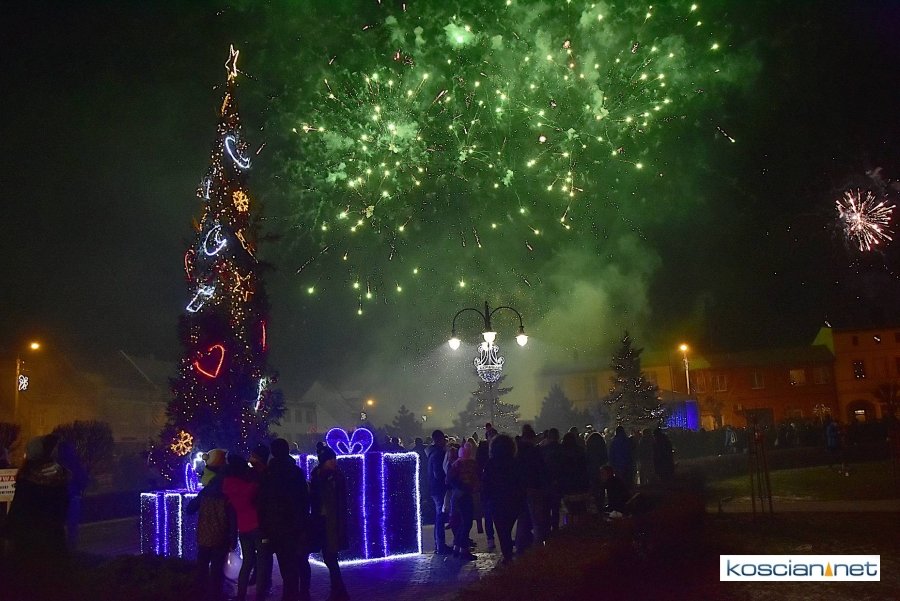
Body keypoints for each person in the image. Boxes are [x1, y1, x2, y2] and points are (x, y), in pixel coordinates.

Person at [257, 438, 311, 601]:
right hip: (295, 526)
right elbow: (304, 500)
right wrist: (302, 523)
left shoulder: (268, 474)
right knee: (298, 563)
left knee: (285, 566)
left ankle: (289, 595)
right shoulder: (295, 472)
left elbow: (262, 503)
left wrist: (264, 528)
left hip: (276, 528)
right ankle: (300, 594)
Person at [5, 435, 70, 564]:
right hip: (53, 538)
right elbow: (63, 507)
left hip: (28, 540)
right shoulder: (60, 477)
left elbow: (17, 511)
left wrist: (9, 534)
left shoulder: (27, 480)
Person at [187, 448, 234, 601]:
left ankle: (199, 594)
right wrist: (233, 537)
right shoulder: (228, 491)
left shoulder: (206, 491)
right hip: (221, 537)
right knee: (217, 570)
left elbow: (190, 509)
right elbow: (232, 517)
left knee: (202, 568)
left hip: (204, 536)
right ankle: (215, 596)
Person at [309, 445, 349, 601]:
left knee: (330, 557)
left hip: (332, 522)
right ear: (323, 461)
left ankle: (339, 592)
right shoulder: (317, 475)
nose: (334, 461)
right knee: (329, 557)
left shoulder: (336, 477)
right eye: (330, 459)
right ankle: (339, 591)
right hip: (321, 521)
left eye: (334, 458)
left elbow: (340, 500)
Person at [222, 452, 261, 601]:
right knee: (262, 560)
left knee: (247, 561)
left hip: (243, 527)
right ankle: (261, 594)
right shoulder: (249, 484)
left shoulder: (227, 484)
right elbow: (251, 494)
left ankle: (241, 594)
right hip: (256, 525)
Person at [481, 434, 522, 564]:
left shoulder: (491, 463)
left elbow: (485, 484)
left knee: (501, 529)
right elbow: (520, 481)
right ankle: (508, 552)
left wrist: (485, 500)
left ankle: (507, 554)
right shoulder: (514, 462)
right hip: (512, 500)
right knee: (507, 528)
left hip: (496, 501)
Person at [514, 424, 547, 552]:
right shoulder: (535, 451)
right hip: (534, 487)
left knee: (523, 518)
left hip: (521, 488)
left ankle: (521, 545)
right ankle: (538, 547)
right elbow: (541, 470)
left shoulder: (517, 451)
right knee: (537, 519)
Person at [446, 441, 480, 560]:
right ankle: (463, 550)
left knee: (461, 523)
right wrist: (468, 487)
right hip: (465, 496)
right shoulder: (470, 464)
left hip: (457, 496)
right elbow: (475, 479)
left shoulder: (455, 465)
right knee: (466, 523)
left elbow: (449, 480)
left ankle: (457, 548)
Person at [55, 439, 88, 552]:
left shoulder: (56, 464)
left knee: (58, 523)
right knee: (72, 525)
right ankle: (72, 548)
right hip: (73, 496)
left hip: (59, 498)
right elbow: (83, 479)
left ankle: (59, 548)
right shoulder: (75, 463)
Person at [427, 430, 452, 554]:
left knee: (439, 516)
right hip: (439, 488)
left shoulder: (432, 453)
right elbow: (439, 473)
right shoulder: (438, 454)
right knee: (440, 516)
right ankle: (440, 546)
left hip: (434, 488)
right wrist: (447, 481)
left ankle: (439, 544)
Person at [559, 431, 589, 525]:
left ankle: (570, 525)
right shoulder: (580, 451)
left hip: (568, 484)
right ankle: (580, 526)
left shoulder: (562, 452)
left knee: (569, 509)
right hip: (580, 484)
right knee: (580, 508)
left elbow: (561, 469)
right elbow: (585, 467)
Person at [540, 428, 564, 533]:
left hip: (546, 483)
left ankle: (546, 530)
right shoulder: (561, 449)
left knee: (546, 508)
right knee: (555, 508)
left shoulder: (543, 450)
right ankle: (555, 529)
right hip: (557, 482)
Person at [584, 431, 608, 510]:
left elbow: (586, 459)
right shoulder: (602, 447)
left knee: (592, 489)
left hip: (590, 471)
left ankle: (592, 507)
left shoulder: (588, 448)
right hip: (600, 470)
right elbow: (605, 458)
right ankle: (600, 506)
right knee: (601, 489)